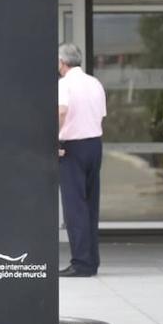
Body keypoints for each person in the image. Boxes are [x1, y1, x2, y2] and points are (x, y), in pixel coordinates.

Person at [58, 43, 106, 278]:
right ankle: (92, 260)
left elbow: (61, 111)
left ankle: (81, 263)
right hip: (94, 145)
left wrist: (55, 139)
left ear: (62, 62)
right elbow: (101, 115)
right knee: (90, 204)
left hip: (72, 148)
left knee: (74, 206)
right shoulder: (95, 83)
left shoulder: (64, 84)